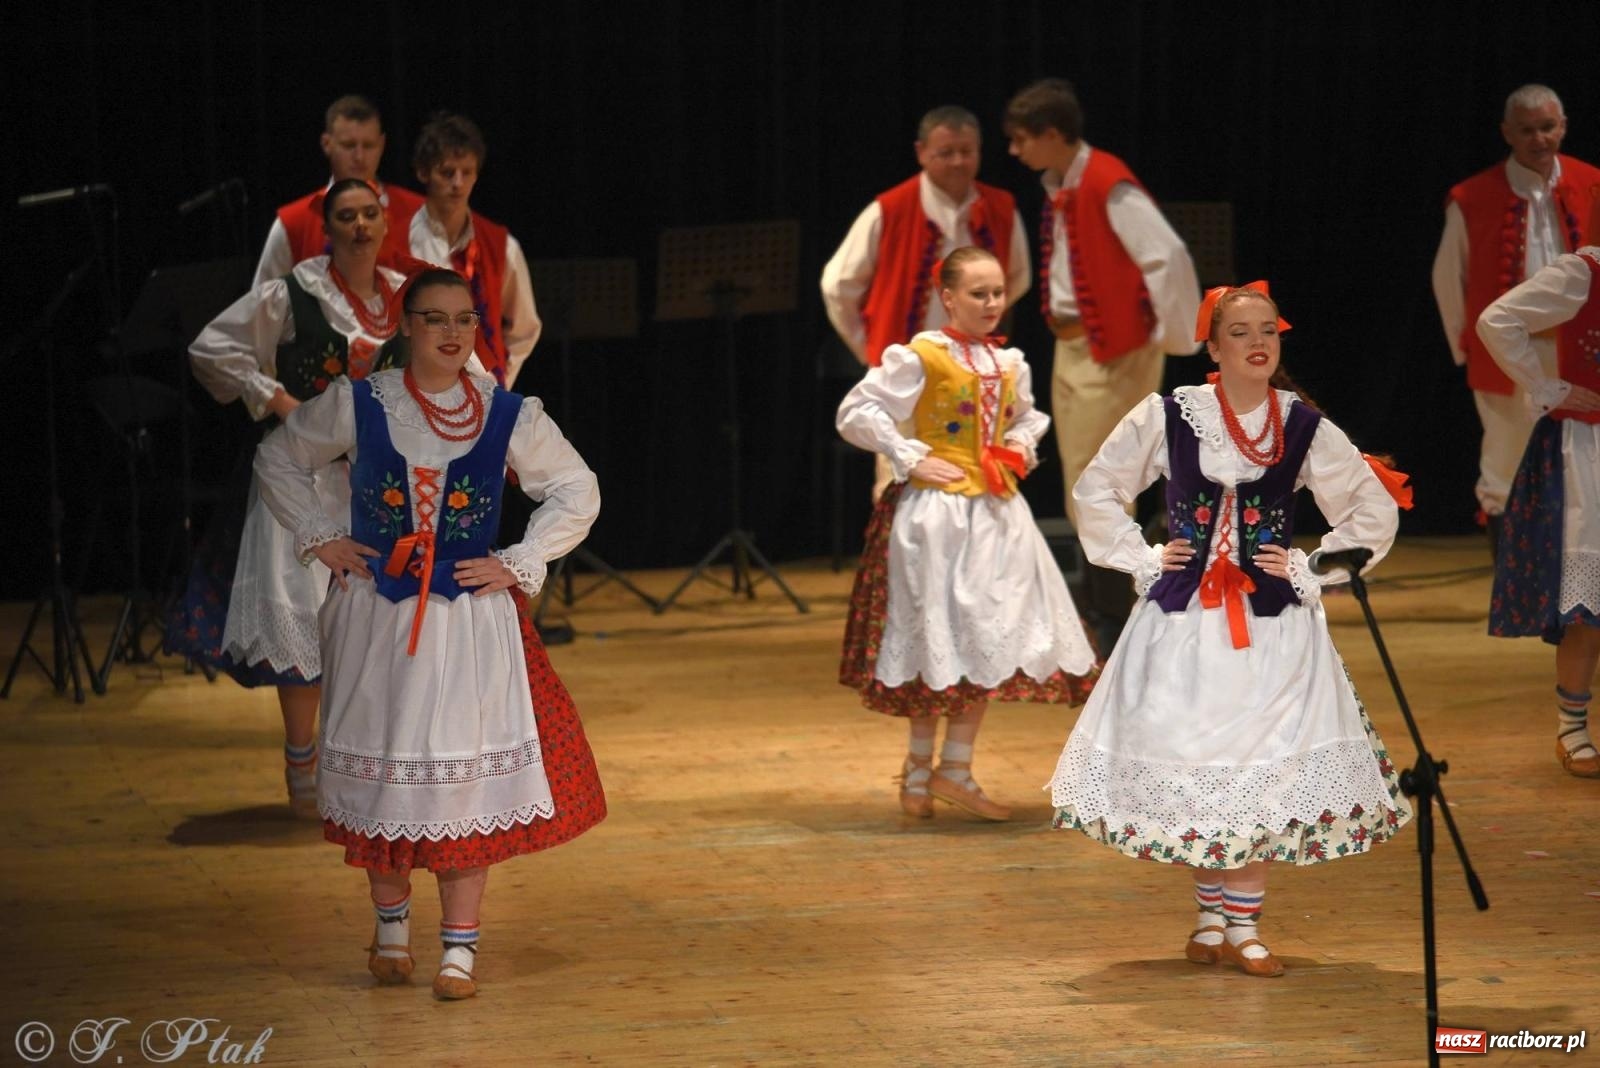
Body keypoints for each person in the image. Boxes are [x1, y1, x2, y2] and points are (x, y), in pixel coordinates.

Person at [253, 268, 604, 999]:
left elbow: (577, 488)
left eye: (464, 319)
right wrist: (322, 536)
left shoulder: (505, 413)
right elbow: (278, 457)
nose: (451, 333)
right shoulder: (361, 403)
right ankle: (390, 932)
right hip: (378, 615)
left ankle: (459, 949)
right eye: (435, 318)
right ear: (406, 326)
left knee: (460, 783)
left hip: (466, 622)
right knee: (385, 771)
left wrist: (519, 560)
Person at [1047, 284, 1412, 977]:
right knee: (1202, 763)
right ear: (1213, 349)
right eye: (1240, 332)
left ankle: (1243, 927)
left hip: (1272, 625)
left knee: (1259, 764)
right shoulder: (1171, 414)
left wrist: (1310, 566)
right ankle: (1210, 921)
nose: (1257, 343)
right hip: (1186, 622)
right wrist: (1142, 557)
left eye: (1268, 330)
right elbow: (1097, 488)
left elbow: (1371, 507)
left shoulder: (1301, 424)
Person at [170, 178, 410, 818]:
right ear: (326, 229)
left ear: (384, 222)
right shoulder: (295, 292)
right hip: (301, 483)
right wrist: (277, 399)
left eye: (369, 214)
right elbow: (211, 349)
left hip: (377, 490)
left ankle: (351, 762)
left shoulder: (403, 298)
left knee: (369, 628)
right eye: (346, 216)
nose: (360, 226)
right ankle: (301, 759)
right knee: (307, 623)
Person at [837, 247, 1098, 821]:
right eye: (979, 293)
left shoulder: (1008, 362)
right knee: (937, 634)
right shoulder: (921, 355)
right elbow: (858, 412)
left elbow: (1027, 417)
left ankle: (950, 770)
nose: (992, 303)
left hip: (996, 513)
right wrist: (910, 455)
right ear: (948, 297)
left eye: (998, 292)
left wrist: (1017, 446)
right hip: (937, 516)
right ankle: (919, 768)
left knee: (984, 635)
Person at [1003, 77, 1201, 647]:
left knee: (1104, 480)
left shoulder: (1108, 184)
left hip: (1113, 351)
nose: (1014, 151)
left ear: (1052, 134)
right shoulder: (1063, 183)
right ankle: (1103, 609)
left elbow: (1168, 257)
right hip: (1074, 345)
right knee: (1080, 477)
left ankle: (1114, 618)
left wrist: (1170, 338)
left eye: (1021, 139)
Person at [822, 105, 1032, 500]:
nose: (957, 162)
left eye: (966, 151)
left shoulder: (1001, 208)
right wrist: (871, 350)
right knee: (899, 482)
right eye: (945, 152)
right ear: (921, 153)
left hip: (975, 373)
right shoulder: (889, 210)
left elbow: (1017, 276)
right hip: (910, 376)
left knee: (979, 480)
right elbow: (838, 285)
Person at [1431, 84, 1600, 552]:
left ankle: (1574, 567)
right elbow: (1449, 278)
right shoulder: (1472, 196)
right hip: (1505, 348)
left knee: (1583, 458)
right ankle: (1509, 572)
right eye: (1527, 130)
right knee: (1505, 460)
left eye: (1547, 127)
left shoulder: (1592, 183)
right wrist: (1466, 347)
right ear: (1507, 132)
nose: (1538, 139)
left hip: (1579, 351)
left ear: (1563, 127)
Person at [1478, 237, 1600, 778]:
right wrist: (1547, 386)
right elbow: (1497, 319)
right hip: (1589, 449)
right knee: (1588, 606)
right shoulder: (1584, 272)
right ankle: (1572, 728)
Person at [408, 111, 541, 388]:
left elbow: (525, 329)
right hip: (415, 390)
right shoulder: (401, 239)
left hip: (482, 395)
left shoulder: (501, 246)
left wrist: (498, 381)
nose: (458, 183)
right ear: (423, 172)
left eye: (467, 172)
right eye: (447, 173)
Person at [254, 95, 425, 287]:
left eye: (368, 145)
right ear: (327, 144)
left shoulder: (418, 213)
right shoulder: (293, 223)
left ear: (382, 145)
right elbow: (263, 299)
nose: (359, 157)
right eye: (348, 145)